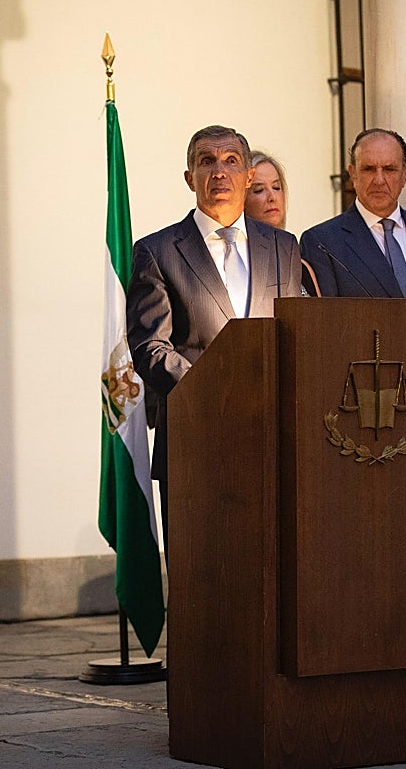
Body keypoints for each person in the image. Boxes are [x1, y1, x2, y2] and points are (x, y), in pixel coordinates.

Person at [127, 125, 301, 545]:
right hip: (195, 437)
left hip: (271, 439)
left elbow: (296, 332)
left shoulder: (283, 246)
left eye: (231, 161)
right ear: (190, 178)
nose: (219, 171)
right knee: (201, 565)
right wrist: (214, 391)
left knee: (268, 562)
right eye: (207, 161)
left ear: (248, 175)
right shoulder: (158, 251)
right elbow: (150, 347)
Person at [298, 128, 406, 353]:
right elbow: (325, 330)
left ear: (405, 174)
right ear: (352, 174)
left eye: (389, 169)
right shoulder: (322, 242)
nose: (379, 180)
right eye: (368, 169)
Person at [243, 150, 320, 294]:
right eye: (259, 190)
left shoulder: (301, 265)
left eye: (276, 187)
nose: (272, 197)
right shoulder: (239, 263)